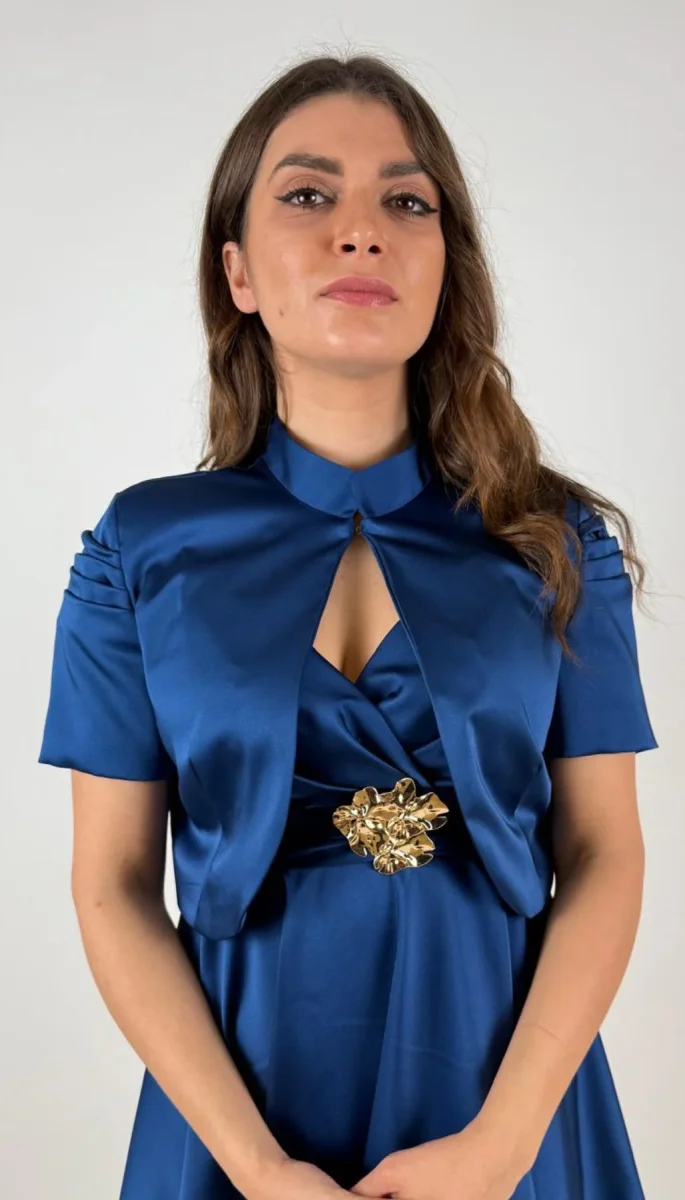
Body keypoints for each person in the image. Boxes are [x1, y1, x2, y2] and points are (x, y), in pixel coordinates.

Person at [37, 51, 659, 1200]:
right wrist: (255, 1167)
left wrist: (505, 1145)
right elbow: (110, 884)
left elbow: (605, 854)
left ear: (445, 265)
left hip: (507, 1099)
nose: (360, 232)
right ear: (236, 271)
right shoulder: (139, 550)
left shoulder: (554, 540)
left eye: (406, 203)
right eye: (308, 194)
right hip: (239, 1111)